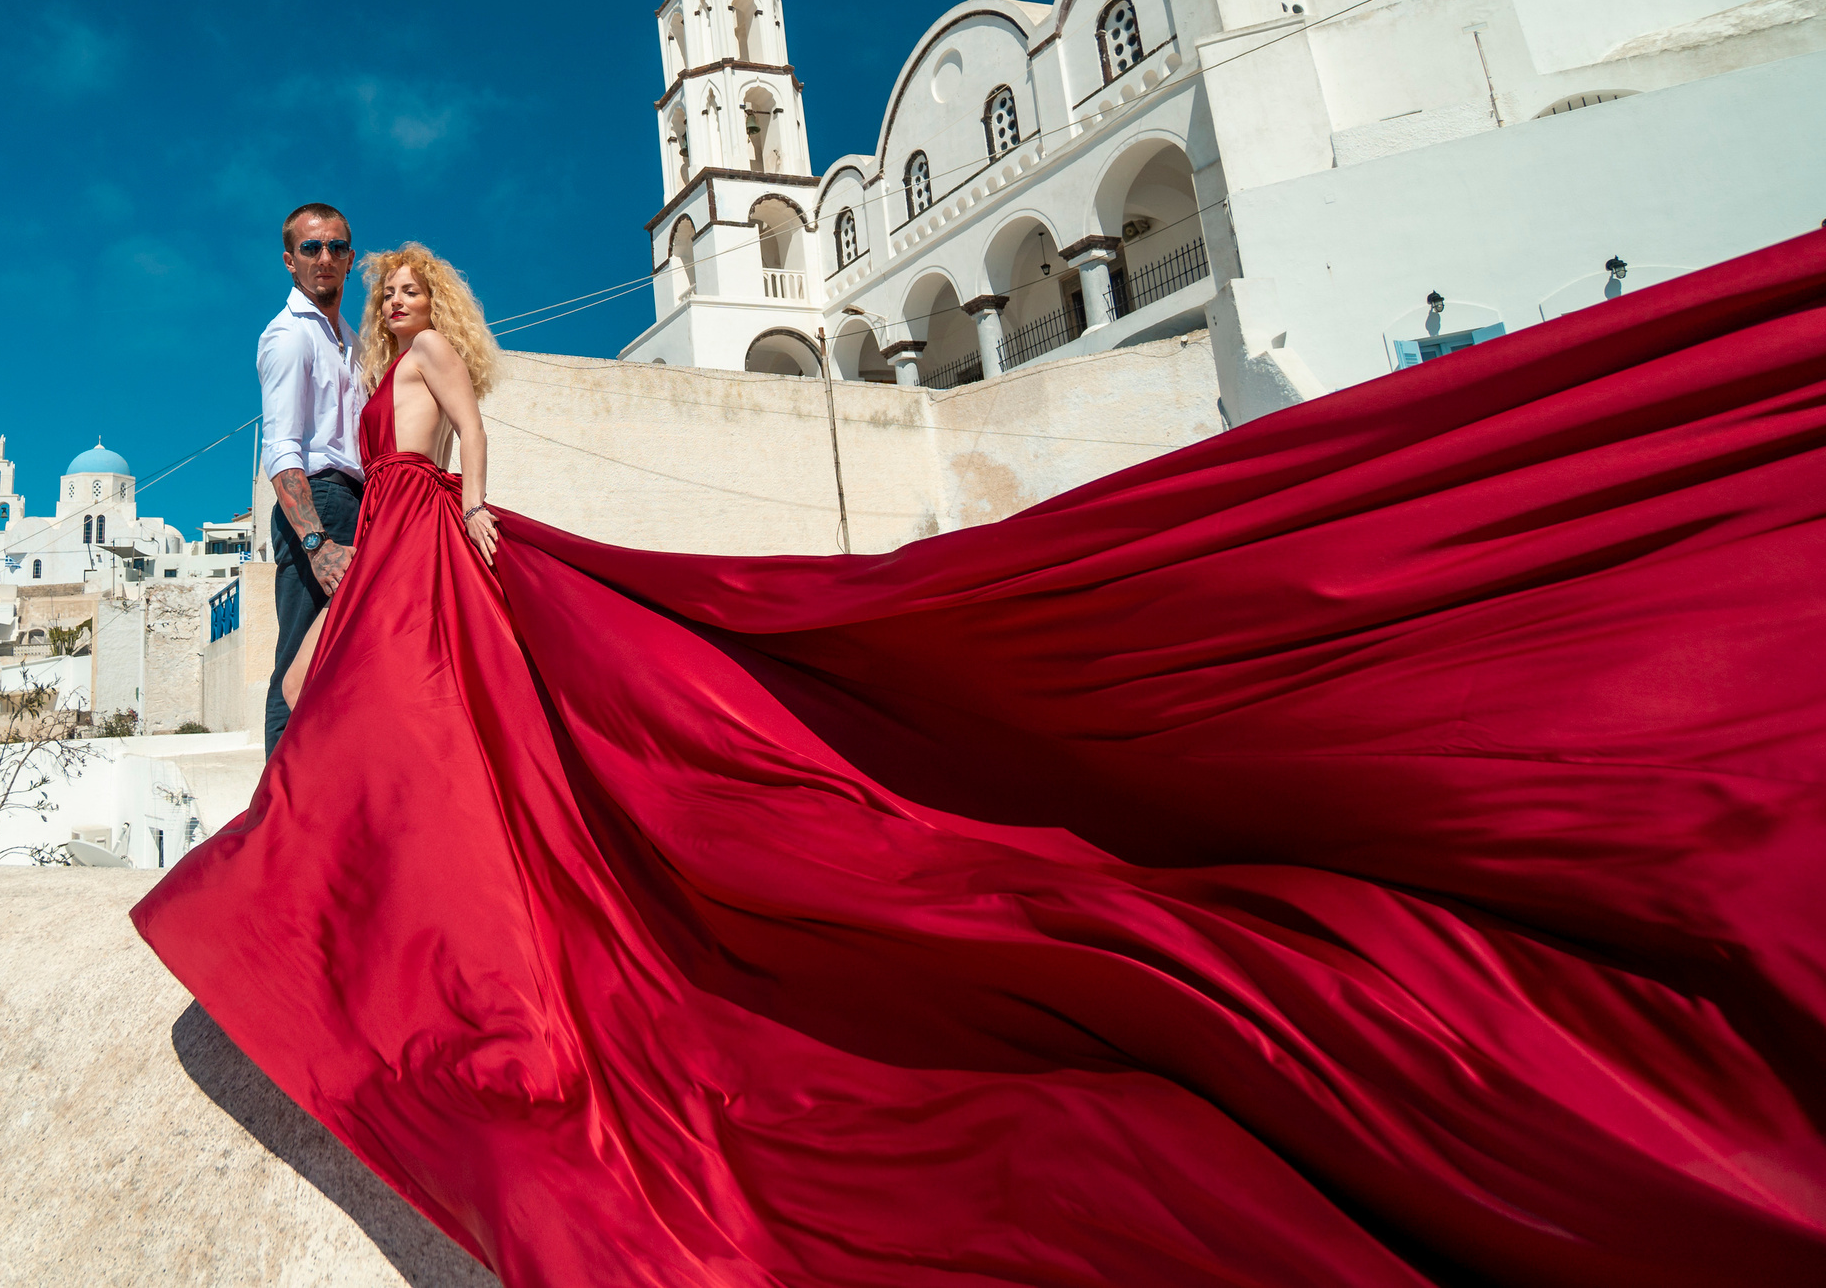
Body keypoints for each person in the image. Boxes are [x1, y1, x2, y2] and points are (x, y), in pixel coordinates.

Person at [141, 231, 1826, 1287]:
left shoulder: (429, 361)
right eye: (381, 284)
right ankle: (330, 851)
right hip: (394, 536)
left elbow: (472, 443)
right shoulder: (358, 364)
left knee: (401, 707)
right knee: (364, 699)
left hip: (430, 534)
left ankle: (337, 873)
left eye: (408, 282)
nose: (397, 297)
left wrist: (482, 519)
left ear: (435, 298)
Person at [278, 242, 497, 712]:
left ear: (435, 303)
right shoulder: (392, 370)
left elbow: (472, 429)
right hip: (380, 519)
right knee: (303, 683)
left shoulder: (429, 345)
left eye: (411, 292)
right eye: (388, 294)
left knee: (314, 681)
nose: (396, 301)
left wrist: (473, 506)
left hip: (410, 516)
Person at [255, 201, 365, 756]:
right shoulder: (289, 336)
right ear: (289, 260)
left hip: (358, 504)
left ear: (351, 259)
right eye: (311, 247)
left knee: (345, 667)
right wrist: (316, 543)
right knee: (298, 665)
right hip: (316, 506)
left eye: (336, 247)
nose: (325, 257)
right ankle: (275, 801)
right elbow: (282, 449)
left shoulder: (352, 340)